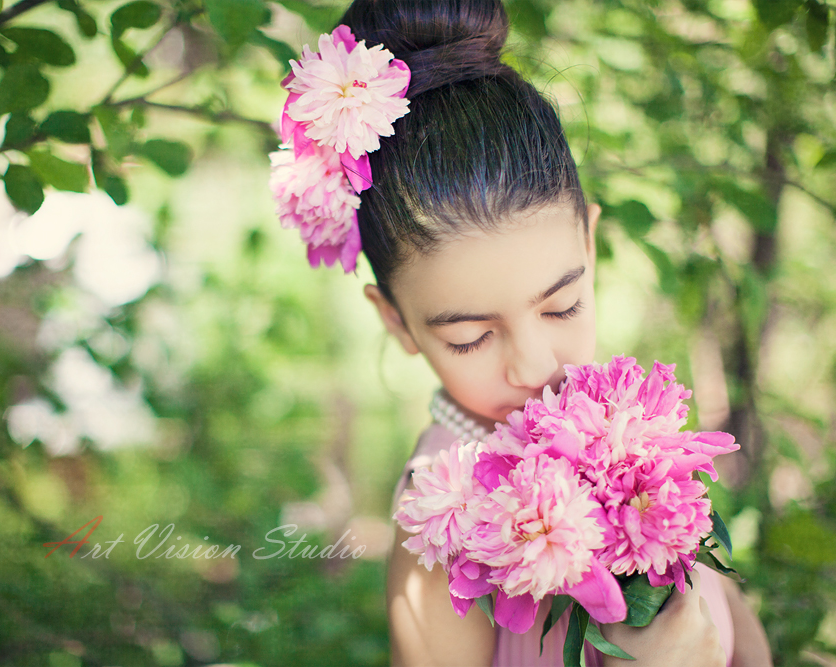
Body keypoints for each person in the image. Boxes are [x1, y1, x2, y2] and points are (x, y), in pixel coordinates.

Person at [270, 1, 774, 664]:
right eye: (471, 337)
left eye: (562, 306)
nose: (535, 367)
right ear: (396, 320)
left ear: (590, 247)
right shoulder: (443, 525)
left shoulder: (632, 432)